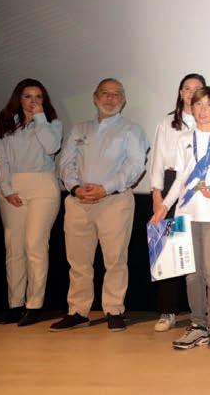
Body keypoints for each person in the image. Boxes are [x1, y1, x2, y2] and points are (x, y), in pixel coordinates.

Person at [153, 86, 210, 356]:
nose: (203, 110)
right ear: (192, 108)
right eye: (198, 104)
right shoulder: (183, 139)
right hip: (185, 213)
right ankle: (198, 325)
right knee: (192, 273)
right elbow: (180, 179)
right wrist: (164, 206)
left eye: (209, 105)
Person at [50, 78, 149, 332]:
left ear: (123, 100)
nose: (110, 99)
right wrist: (75, 187)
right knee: (78, 261)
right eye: (105, 93)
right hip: (78, 202)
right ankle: (78, 311)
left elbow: (135, 166)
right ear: (95, 97)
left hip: (114, 201)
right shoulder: (79, 129)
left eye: (116, 94)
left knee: (115, 259)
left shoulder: (132, 130)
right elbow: (65, 163)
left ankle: (114, 309)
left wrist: (105, 188)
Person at [0, 78, 63, 327]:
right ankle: (15, 304)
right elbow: (1, 160)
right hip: (12, 188)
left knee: (35, 245)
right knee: (14, 248)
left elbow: (52, 147)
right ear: (18, 98)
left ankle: (34, 305)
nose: (33, 101)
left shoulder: (52, 123)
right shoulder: (7, 123)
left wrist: (40, 118)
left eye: (38, 97)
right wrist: (7, 189)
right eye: (28, 96)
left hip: (43, 186)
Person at [148, 73, 207, 332]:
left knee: (201, 252)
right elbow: (157, 161)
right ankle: (168, 311)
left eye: (197, 88)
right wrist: (157, 195)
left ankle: (201, 312)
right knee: (169, 250)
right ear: (180, 93)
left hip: (202, 186)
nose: (192, 93)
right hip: (172, 183)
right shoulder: (167, 122)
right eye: (187, 88)